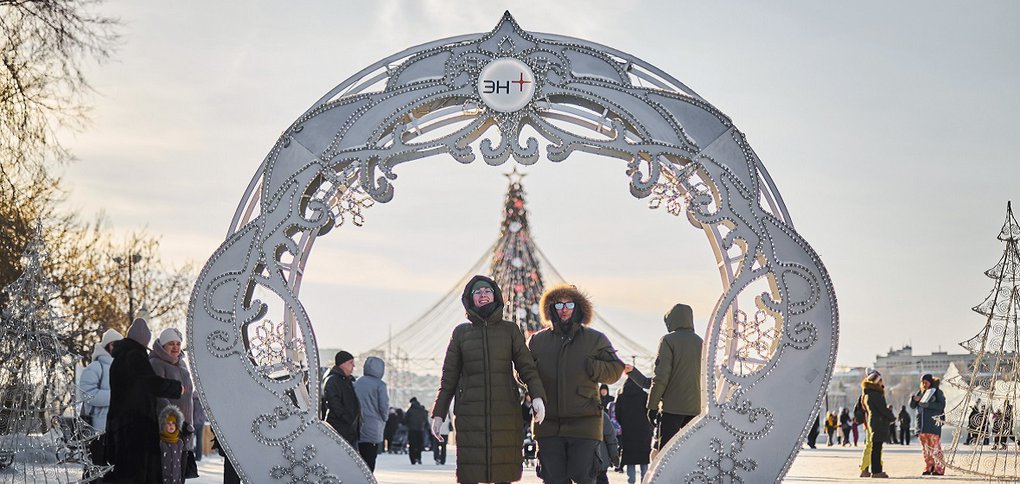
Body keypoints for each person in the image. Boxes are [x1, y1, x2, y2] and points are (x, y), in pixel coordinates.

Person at [430, 275, 547, 484]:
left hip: (505, 410)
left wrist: (537, 395)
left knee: (504, 469)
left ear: (495, 296)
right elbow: (449, 378)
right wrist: (439, 413)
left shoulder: (509, 330)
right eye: (478, 292)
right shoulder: (461, 333)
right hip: (469, 413)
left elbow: (526, 367)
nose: (483, 295)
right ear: (470, 299)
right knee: (471, 470)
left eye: (487, 291)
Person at [529, 284, 625, 484]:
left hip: (584, 423)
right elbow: (522, 370)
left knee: (584, 476)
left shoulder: (595, 339)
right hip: (547, 424)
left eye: (569, 304)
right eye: (559, 304)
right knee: (553, 479)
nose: (564, 309)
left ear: (578, 307)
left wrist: (593, 367)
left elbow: (616, 369)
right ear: (551, 308)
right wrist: (535, 389)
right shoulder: (537, 341)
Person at [105, 317, 184, 484]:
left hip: (120, 424)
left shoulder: (119, 359)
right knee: (137, 472)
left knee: (123, 471)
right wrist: (176, 388)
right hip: (136, 426)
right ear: (144, 339)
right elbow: (150, 382)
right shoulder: (135, 356)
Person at [646, 303, 702, 450]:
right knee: (689, 452)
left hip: (672, 408)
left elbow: (661, 377)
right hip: (695, 408)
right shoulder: (701, 342)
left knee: (666, 454)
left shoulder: (668, 341)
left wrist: (652, 406)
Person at [149, 326, 195, 478]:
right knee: (167, 473)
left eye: (177, 343)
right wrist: (175, 421)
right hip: (169, 427)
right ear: (163, 346)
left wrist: (187, 424)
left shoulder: (181, 363)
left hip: (184, 428)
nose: (175, 347)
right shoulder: (157, 363)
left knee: (179, 472)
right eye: (171, 343)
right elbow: (158, 395)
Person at [79, 328, 123, 468]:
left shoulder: (124, 368)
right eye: (116, 344)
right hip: (97, 432)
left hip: (118, 430)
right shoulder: (95, 367)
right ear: (108, 345)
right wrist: (117, 396)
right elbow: (87, 394)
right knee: (95, 472)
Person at [353, 355, 388, 472]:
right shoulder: (380, 385)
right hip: (373, 425)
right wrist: (384, 418)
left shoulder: (357, 382)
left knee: (359, 458)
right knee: (370, 458)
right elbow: (383, 407)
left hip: (357, 425)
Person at [615, 378, 652, 483]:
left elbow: (618, 414)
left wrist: (624, 423)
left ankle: (631, 481)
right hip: (643, 431)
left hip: (628, 432)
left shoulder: (621, 397)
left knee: (630, 459)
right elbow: (649, 411)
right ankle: (644, 480)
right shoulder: (644, 396)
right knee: (643, 459)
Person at [910, 373, 946, 476]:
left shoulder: (937, 392)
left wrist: (928, 405)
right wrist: (913, 399)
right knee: (926, 449)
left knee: (935, 448)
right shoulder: (921, 393)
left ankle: (939, 468)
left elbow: (941, 405)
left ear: (931, 382)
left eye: (926, 382)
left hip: (933, 425)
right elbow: (913, 406)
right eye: (922, 382)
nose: (924, 384)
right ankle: (929, 467)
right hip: (922, 426)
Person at [323, 350, 361, 446]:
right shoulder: (333, 381)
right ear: (342, 364)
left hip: (348, 430)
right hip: (339, 429)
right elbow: (334, 404)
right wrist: (348, 418)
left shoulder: (346, 380)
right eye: (351, 363)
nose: (354, 366)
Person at [862, 371, 896, 478]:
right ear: (876, 382)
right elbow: (882, 409)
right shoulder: (875, 394)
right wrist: (891, 417)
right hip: (878, 422)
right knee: (876, 448)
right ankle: (876, 471)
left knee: (876, 447)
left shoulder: (868, 393)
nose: (882, 382)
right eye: (880, 380)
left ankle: (876, 470)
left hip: (875, 421)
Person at [158, 404, 186, 484]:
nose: (171, 425)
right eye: (168, 423)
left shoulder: (179, 442)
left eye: (173, 423)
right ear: (163, 425)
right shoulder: (161, 442)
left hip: (176, 479)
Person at [595, 410, 619, 484]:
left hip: (578, 461)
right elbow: (610, 437)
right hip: (599, 458)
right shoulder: (600, 413)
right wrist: (614, 455)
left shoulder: (569, 412)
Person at [405, 397, 429, 465]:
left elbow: (406, 419)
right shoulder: (422, 409)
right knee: (419, 445)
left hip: (411, 430)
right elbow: (425, 418)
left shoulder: (410, 410)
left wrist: (408, 425)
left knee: (412, 445)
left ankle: (413, 459)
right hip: (420, 429)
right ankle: (418, 457)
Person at [192, 392, 207, 461]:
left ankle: (191, 454)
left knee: (191, 439)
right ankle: (199, 456)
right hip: (201, 422)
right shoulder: (203, 400)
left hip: (194, 422)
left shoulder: (194, 400)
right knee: (199, 440)